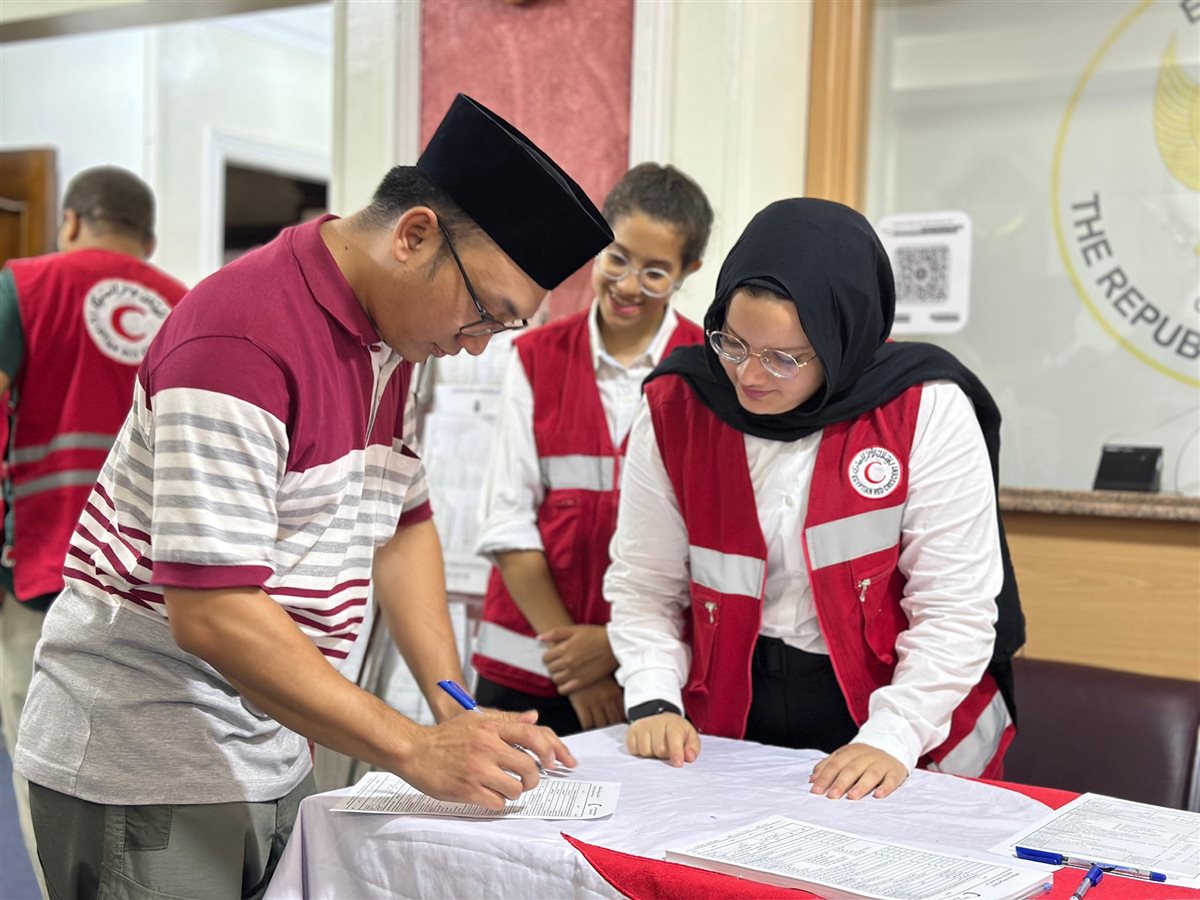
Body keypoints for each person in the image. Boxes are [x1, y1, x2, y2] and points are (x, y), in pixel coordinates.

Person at [13, 94, 612, 899]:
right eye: (484, 314)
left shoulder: (389, 341)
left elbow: (404, 523)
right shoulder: (242, 337)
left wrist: (448, 703)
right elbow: (215, 609)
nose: (473, 348)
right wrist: (409, 748)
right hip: (149, 760)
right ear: (414, 235)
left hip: (268, 741)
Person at [606, 198, 1025, 800]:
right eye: (733, 344)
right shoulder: (679, 405)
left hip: (903, 715)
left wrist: (894, 734)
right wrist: (652, 697)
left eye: (784, 358)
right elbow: (646, 584)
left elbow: (953, 608)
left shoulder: (922, 407)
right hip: (733, 713)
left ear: (841, 338)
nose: (751, 375)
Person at [472, 163, 713, 735]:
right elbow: (508, 523)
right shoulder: (533, 356)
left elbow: (709, 542)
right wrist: (579, 669)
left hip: (650, 675)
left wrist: (612, 646)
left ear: (688, 272)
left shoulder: (709, 371)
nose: (629, 286)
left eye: (656, 273)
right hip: (527, 671)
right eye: (619, 258)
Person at [0, 166, 188, 887]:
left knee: (44, 766)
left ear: (72, 221)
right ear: (149, 239)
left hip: (43, 574)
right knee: (145, 777)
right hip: (162, 587)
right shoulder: (189, 303)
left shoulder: (25, 286)